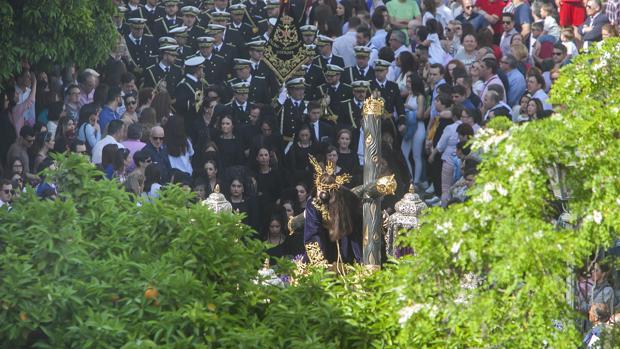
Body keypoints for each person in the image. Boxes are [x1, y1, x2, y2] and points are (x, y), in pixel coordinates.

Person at [303, 155, 362, 264]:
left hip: (346, 243)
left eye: (324, 191)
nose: (320, 194)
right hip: (324, 242)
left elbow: (358, 220)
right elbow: (313, 234)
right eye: (319, 189)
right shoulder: (313, 204)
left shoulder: (347, 199)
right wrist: (319, 262)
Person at [401, 73, 427, 186]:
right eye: (407, 82)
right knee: (404, 152)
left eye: (410, 82)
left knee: (416, 155)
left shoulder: (420, 96)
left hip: (419, 127)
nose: (408, 84)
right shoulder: (409, 95)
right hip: (409, 126)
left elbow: (420, 114)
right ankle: (410, 177)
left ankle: (416, 181)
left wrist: (409, 108)